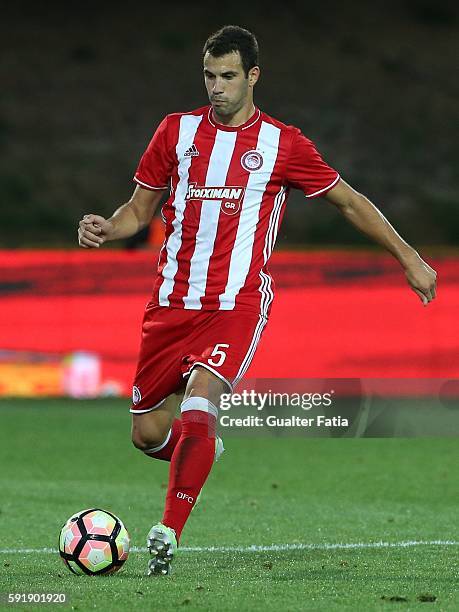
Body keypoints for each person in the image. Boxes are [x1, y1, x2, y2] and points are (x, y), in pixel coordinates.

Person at [77, 25, 437, 575]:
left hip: (236, 304)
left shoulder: (283, 144)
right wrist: (108, 226)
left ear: (253, 77)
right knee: (148, 434)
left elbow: (348, 201)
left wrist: (407, 255)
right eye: (208, 75)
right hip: (170, 304)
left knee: (201, 399)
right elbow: (138, 211)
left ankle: (168, 531)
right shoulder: (175, 132)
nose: (216, 87)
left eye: (227, 76)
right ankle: (199, 451)